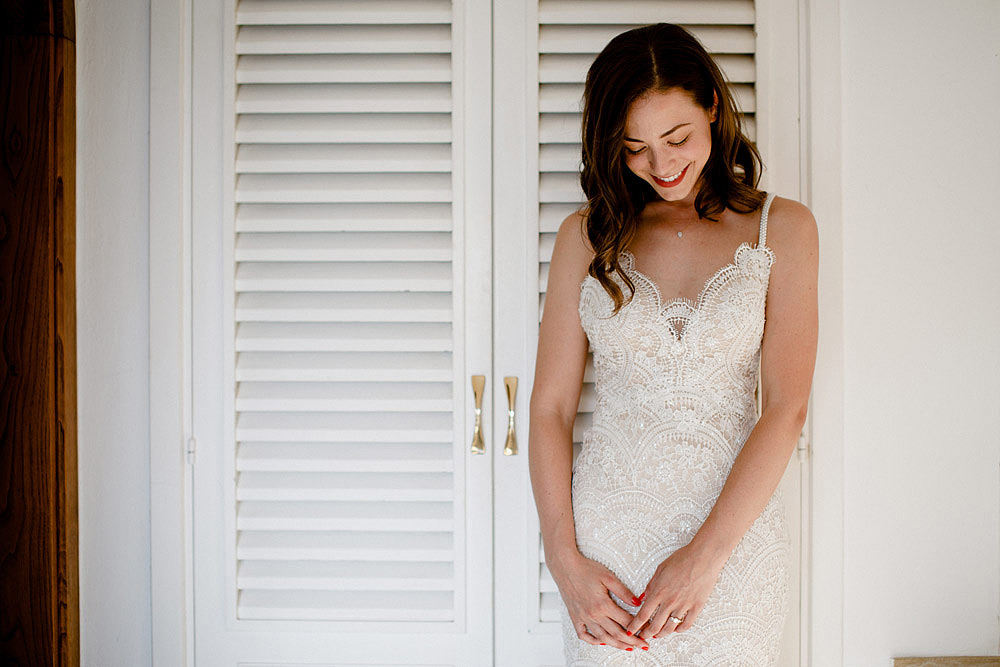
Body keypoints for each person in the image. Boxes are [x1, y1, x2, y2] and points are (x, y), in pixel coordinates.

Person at [528, 23, 819, 665]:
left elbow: (786, 408)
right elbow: (549, 407)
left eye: (677, 138)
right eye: (634, 147)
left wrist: (704, 558)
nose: (661, 166)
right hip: (608, 555)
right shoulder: (586, 237)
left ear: (713, 107)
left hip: (733, 550)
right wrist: (562, 557)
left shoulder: (786, 229)